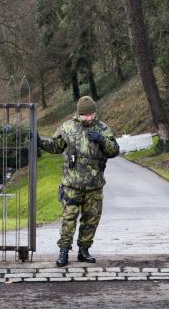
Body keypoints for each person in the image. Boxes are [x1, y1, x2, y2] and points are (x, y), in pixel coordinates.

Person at [37, 96, 120, 267]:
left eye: (92, 114)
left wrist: (102, 139)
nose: (89, 118)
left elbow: (114, 150)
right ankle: (64, 251)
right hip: (72, 184)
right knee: (69, 219)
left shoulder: (102, 128)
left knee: (91, 220)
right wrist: (39, 142)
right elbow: (56, 146)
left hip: (94, 185)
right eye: (86, 115)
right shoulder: (67, 127)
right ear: (79, 113)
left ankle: (84, 250)